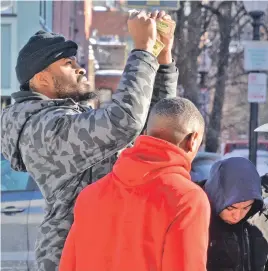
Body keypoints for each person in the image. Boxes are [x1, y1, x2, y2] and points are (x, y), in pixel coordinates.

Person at [1, 10, 178, 271]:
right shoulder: (41, 129)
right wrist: (141, 51)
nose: (80, 68)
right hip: (74, 257)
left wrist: (161, 59)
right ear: (42, 79)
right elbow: (124, 120)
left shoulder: (68, 118)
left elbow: (150, 134)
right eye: (68, 64)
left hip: (105, 252)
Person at [59, 97, 211, 271]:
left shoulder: (90, 195)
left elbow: (68, 265)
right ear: (193, 140)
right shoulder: (187, 199)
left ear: (145, 132)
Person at [203, 157, 268, 271]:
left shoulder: (258, 222)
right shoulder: (197, 223)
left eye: (246, 208)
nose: (237, 216)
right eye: (230, 208)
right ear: (216, 197)